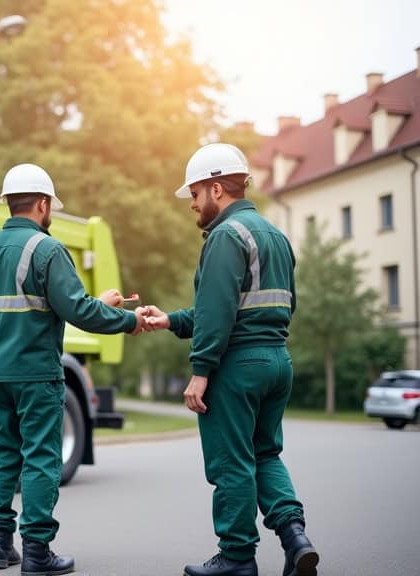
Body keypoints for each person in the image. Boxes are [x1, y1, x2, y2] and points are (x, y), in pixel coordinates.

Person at [0, 163, 146, 576]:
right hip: (37, 373)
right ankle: (38, 551)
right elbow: (77, 310)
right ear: (42, 204)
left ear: (7, 202)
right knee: (41, 456)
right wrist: (129, 320)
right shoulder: (47, 250)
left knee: (4, 452)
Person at [141, 143, 319, 576]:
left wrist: (200, 371)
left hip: (236, 369)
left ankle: (237, 558)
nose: (193, 206)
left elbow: (219, 313)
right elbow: (265, 306)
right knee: (264, 455)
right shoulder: (274, 235)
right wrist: (171, 321)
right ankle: (295, 539)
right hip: (276, 360)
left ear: (217, 188)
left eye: (196, 195)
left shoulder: (225, 236)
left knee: (231, 463)